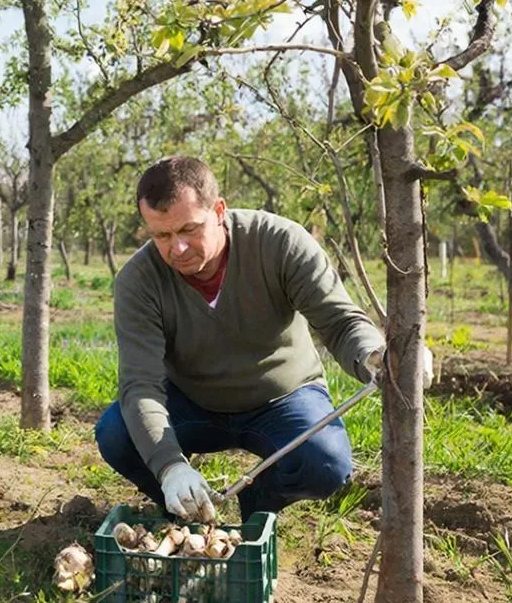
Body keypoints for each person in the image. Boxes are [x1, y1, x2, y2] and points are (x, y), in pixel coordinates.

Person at [95, 155, 432, 523]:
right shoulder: (139, 281)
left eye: (189, 229)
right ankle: (186, 509)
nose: (177, 248)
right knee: (117, 434)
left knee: (326, 463)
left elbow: (338, 321)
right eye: (162, 235)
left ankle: (256, 506)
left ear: (219, 211)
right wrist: (170, 467)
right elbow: (140, 385)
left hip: (282, 399)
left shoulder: (279, 243)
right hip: (193, 404)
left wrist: (374, 354)